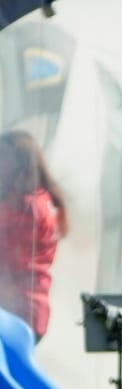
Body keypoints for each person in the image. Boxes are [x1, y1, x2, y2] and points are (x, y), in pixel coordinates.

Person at [0, 130, 68, 342]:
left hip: (18, 312)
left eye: (3, 156)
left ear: (19, 162)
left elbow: (8, 255)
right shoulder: (38, 201)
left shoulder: (28, 208)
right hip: (25, 311)